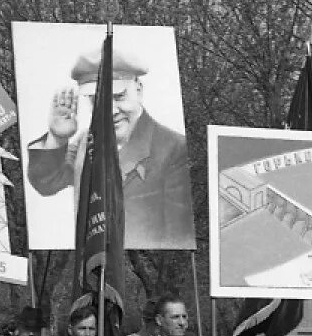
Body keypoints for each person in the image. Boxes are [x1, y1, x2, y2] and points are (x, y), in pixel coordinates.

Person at [26, 46, 194, 248]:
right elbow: (47, 183)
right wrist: (57, 138)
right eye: (98, 101)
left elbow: (179, 236)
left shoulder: (174, 148)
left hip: (142, 266)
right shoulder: (85, 142)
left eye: (119, 96)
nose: (110, 111)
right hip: (91, 261)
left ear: (138, 90)